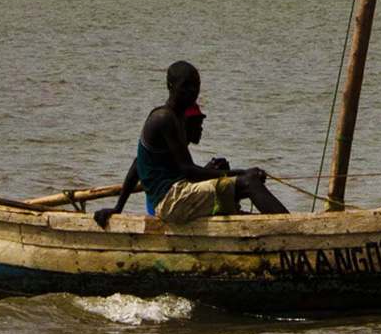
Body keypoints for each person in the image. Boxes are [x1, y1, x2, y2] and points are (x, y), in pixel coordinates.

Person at [98, 59, 288, 222]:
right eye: (185, 86)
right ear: (170, 86)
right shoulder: (164, 118)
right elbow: (187, 170)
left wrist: (118, 207)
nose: (192, 92)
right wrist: (241, 173)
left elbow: (138, 165)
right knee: (249, 183)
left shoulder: (179, 117)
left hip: (179, 195)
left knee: (243, 184)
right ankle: (291, 229)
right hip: (171, 201)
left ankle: (285, 228)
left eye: (195, 86)